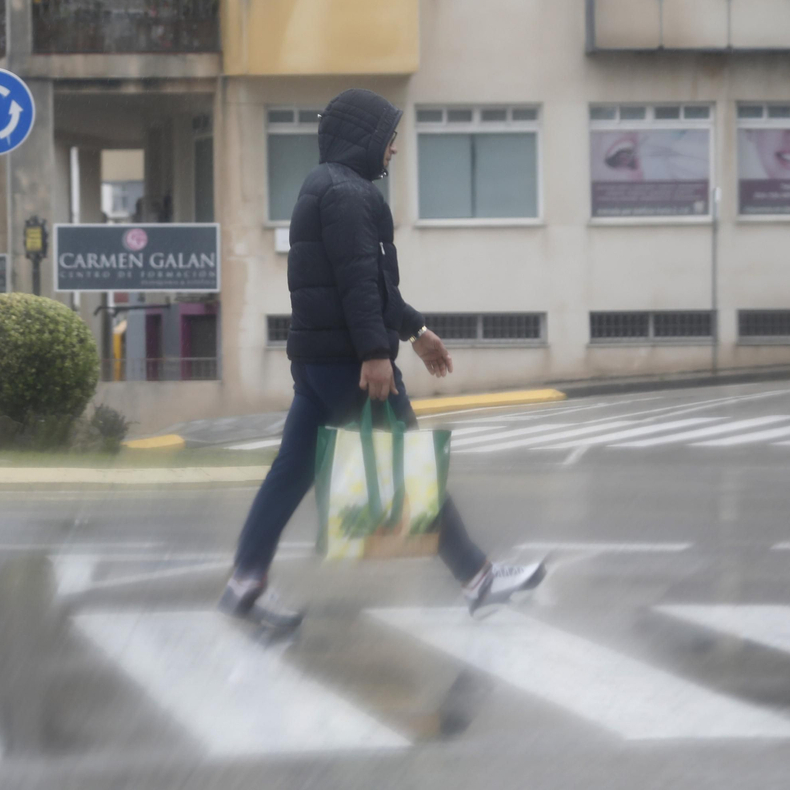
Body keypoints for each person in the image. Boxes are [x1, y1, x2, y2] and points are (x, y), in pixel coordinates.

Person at [219, 89, 546, 632]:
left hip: (318, 361)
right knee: (408, 464)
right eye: (390, 138)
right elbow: (358, 286)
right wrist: (376, 353)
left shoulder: (325, 186)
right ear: (366, 138)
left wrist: (416, 330)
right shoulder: (349, 195)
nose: (394, 150)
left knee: (291, 471)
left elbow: (372, 286)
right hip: (350, 362)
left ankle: (245, 581)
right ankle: (478, 578)